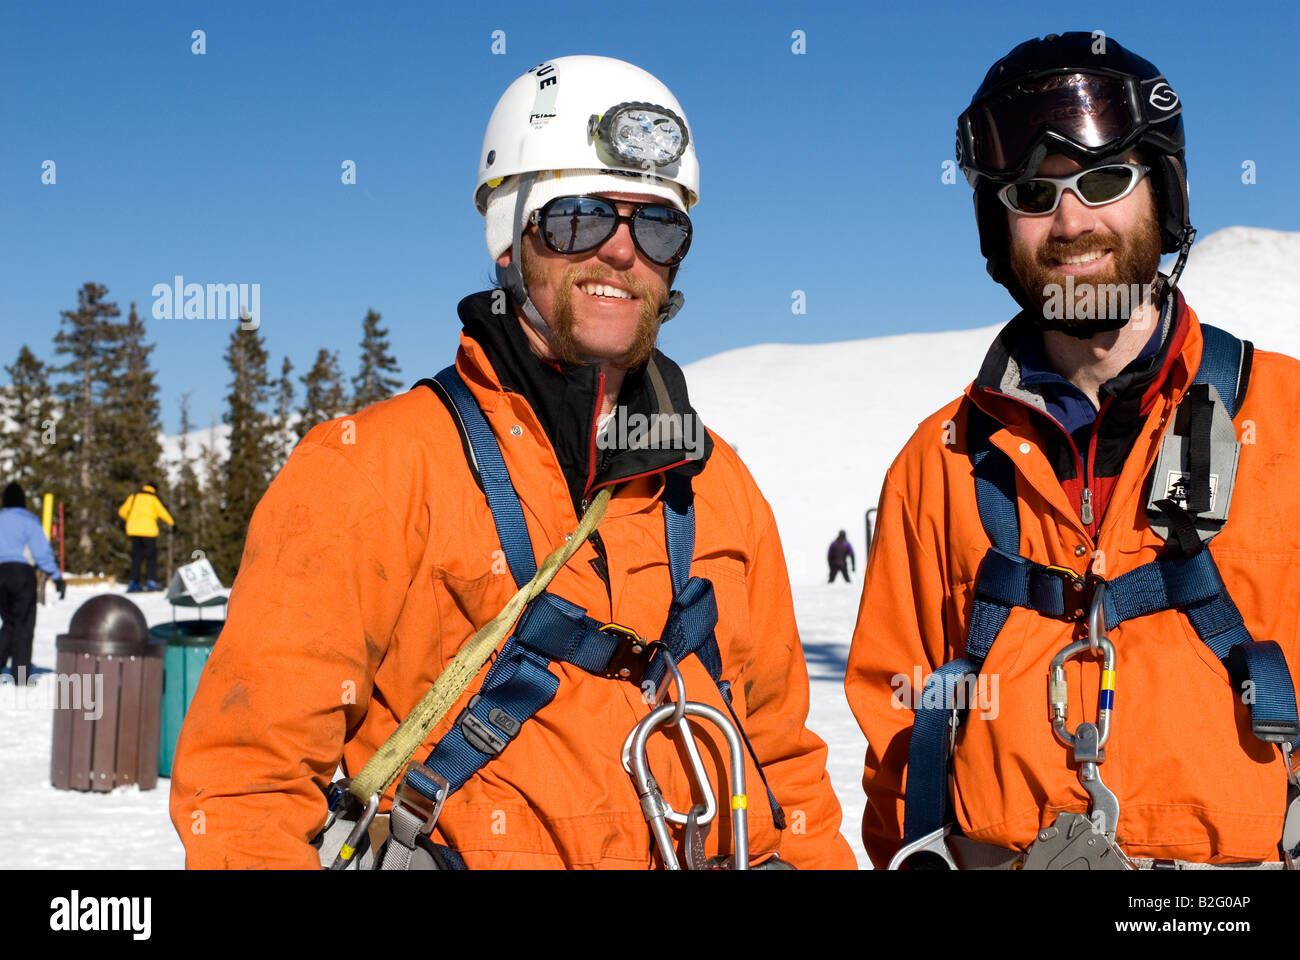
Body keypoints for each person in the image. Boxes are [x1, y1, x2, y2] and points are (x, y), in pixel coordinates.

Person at [171, 56, 854, 870]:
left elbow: (780, 758)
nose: (622, 251)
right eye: (579, 218)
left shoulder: (716, 486)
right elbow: (248, 788)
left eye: (659, 226)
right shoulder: (371, 470)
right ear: (509, 236)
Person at [846, 33, 1300, 869]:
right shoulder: (939, 462)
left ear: (1162, 190)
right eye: (1032, 193)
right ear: (996, 223)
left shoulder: (1289, 420)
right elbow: (894, 739)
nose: (1071, 222)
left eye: (1104, 181)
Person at [0, 481, 65, 684]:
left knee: (8, 621)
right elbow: (41, 552)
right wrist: (56, 576)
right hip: (22, 573)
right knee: (24, 623)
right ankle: (20, 673)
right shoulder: (29, 521)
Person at [116, 482, 174, 592]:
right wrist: (172, 524)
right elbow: (163, 513)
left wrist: (131, 519)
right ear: (154, 489)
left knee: (136, 557)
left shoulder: (133, 497)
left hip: (133, 530)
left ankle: (133, 582)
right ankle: (151, 581)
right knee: (151, 557)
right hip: (149, 531)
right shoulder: (153, 499)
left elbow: (122, 512)